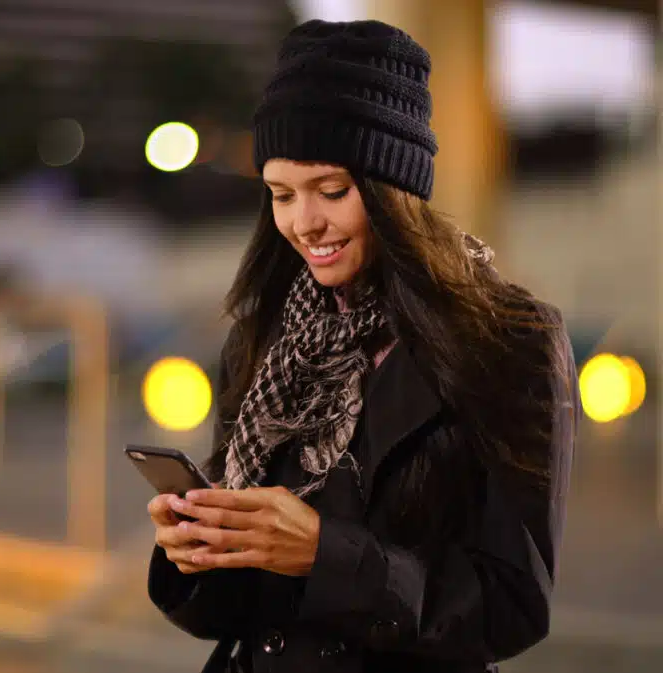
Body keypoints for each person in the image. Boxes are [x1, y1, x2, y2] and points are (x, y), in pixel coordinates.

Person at [145, 18, 577, 673]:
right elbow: (237, 614)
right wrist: (198, 551)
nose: (304, 223)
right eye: (281, 195)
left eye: (332, 191)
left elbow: (513, 604)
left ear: (394, 189)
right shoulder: (263, 338)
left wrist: (326, 556)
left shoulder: (508, 341)